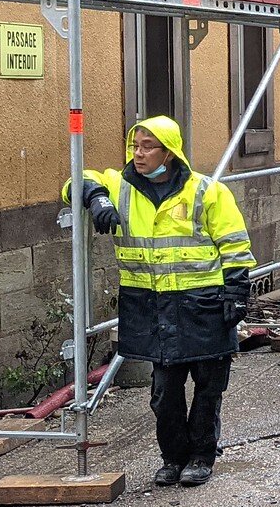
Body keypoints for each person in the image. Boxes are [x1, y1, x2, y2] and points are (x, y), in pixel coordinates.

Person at [65, 116, 255, 487]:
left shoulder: (207, 192)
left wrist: (235, 292)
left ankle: (201, 455)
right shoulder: (120, 186)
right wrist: (96, 197)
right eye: (135, 146)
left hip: (204, 304)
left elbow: (235, 246)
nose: (139, 153)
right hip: (153, 307)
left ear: (169, 152)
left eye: (148, 146)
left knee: (208, 387)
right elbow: (75, 179)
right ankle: (173, 457)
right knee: (164, 392)